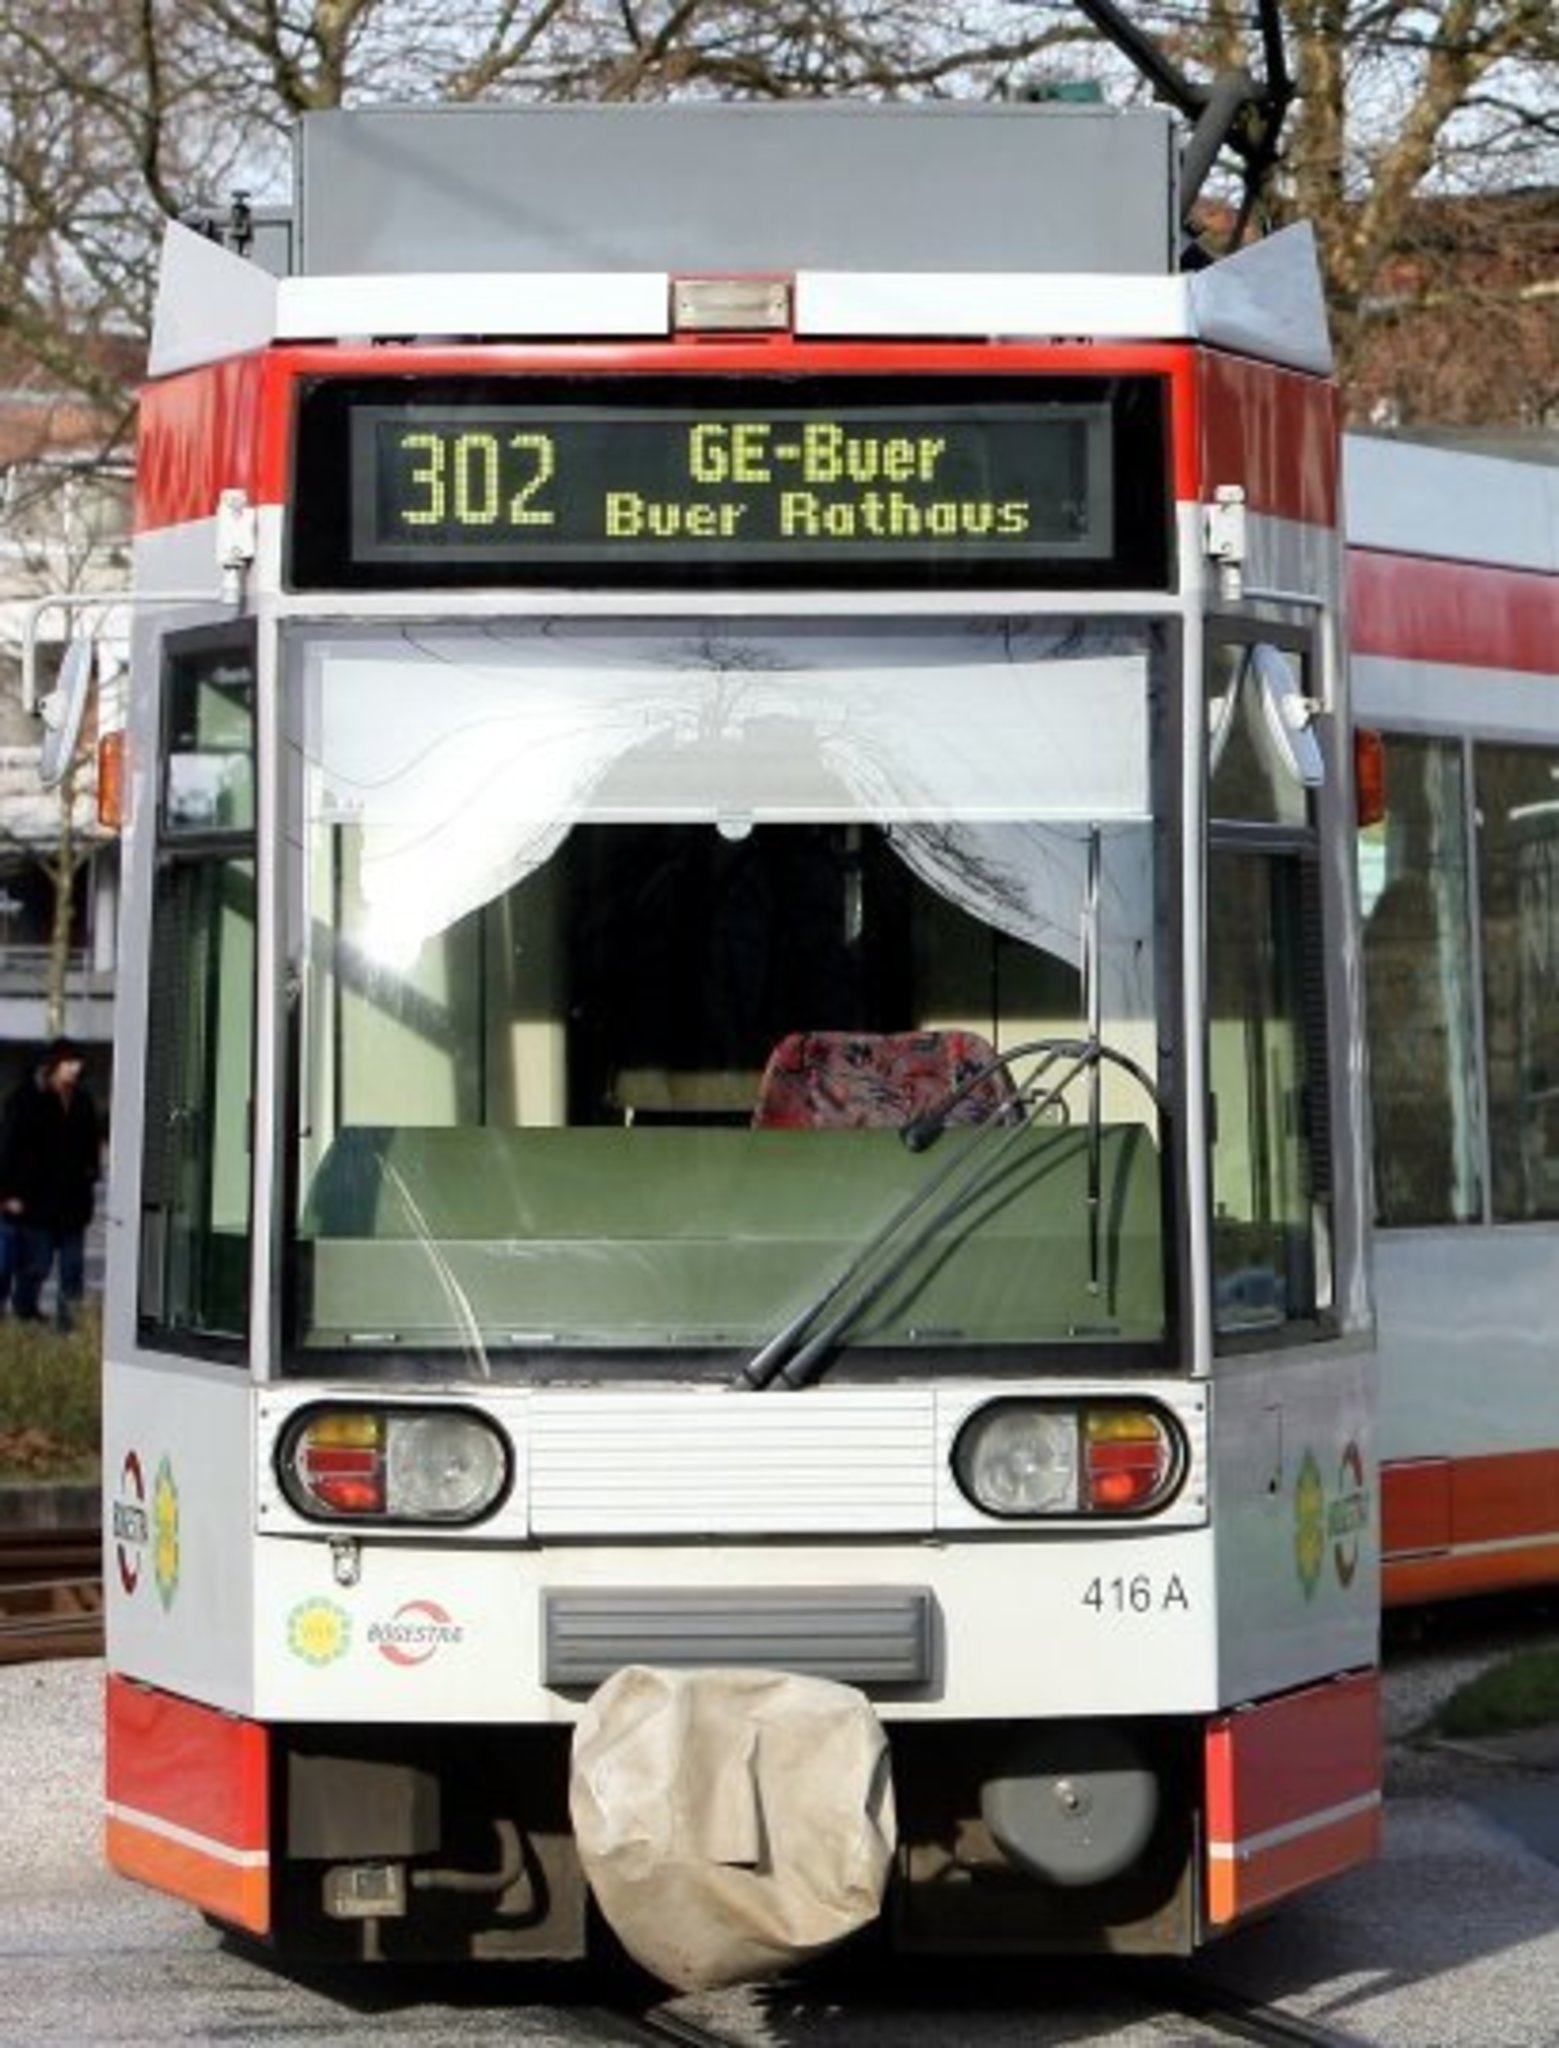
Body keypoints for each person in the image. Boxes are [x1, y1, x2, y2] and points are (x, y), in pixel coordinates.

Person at [0, 1037, 102, 1331]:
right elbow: (9, 1148)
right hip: (35, 1201)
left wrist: (91, 1172)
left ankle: (68, 1326)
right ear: (53, 1066)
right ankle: (25, 1311)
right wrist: (8, 1194)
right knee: (36, 1265)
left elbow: (90, 1143)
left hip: (72, 1203)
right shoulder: (26, 1100)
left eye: (77, 1062)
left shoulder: (82, 1100)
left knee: (72, 1269)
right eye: (69, 1062)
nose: (75, 1068)